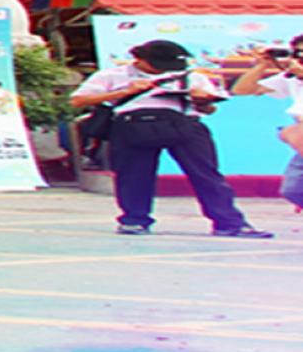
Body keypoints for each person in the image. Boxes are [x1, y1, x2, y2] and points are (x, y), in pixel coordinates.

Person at [73, 39, 270, 238]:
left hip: (183, 123)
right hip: (134, 125)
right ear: (139, 59)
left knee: (206, 174)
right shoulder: (111, 75)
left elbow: (209, 110)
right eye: (158, 65)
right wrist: (126, 91)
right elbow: (78, 100)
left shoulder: (191, 77)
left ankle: (228, 222)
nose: (163, 70)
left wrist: (202, 101)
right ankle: (134, 220)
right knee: (133, 175)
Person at [225, 35, 303, 214]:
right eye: (298, 52)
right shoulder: (290, 78)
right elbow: (242, 90)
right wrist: (262, 65)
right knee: (293, 189)